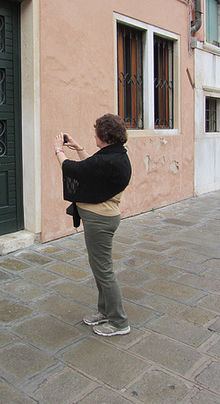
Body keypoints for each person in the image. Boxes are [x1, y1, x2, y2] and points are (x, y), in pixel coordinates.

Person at [54, 113, 132, 336]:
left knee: (104, 270)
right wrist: (78, 147)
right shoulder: (115, 155)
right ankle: (105, 311)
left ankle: (119, 322)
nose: (94, 136)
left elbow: (75, 170)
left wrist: (58, 150)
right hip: (101, 218)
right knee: (100, 269)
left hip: (100, 220)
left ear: (104, 136)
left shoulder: (110, 159)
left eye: (96, 133)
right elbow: (93, 167)